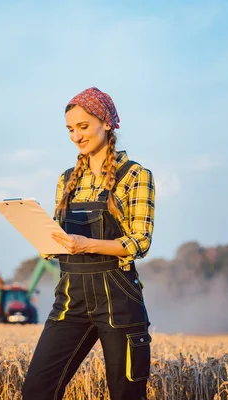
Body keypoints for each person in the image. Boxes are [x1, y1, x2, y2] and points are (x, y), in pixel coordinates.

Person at [21, 87, 155, 400]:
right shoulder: (66, 179)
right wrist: (45, 239)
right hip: (71, 299)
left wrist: (87, 245)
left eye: (83, 127)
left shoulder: (135, 175)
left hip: (118, 299)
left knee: (126, 395)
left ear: (106, 123)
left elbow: (140, 242)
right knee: (36, 391)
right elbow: (61, 238)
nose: (76, 136)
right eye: (70, 129)